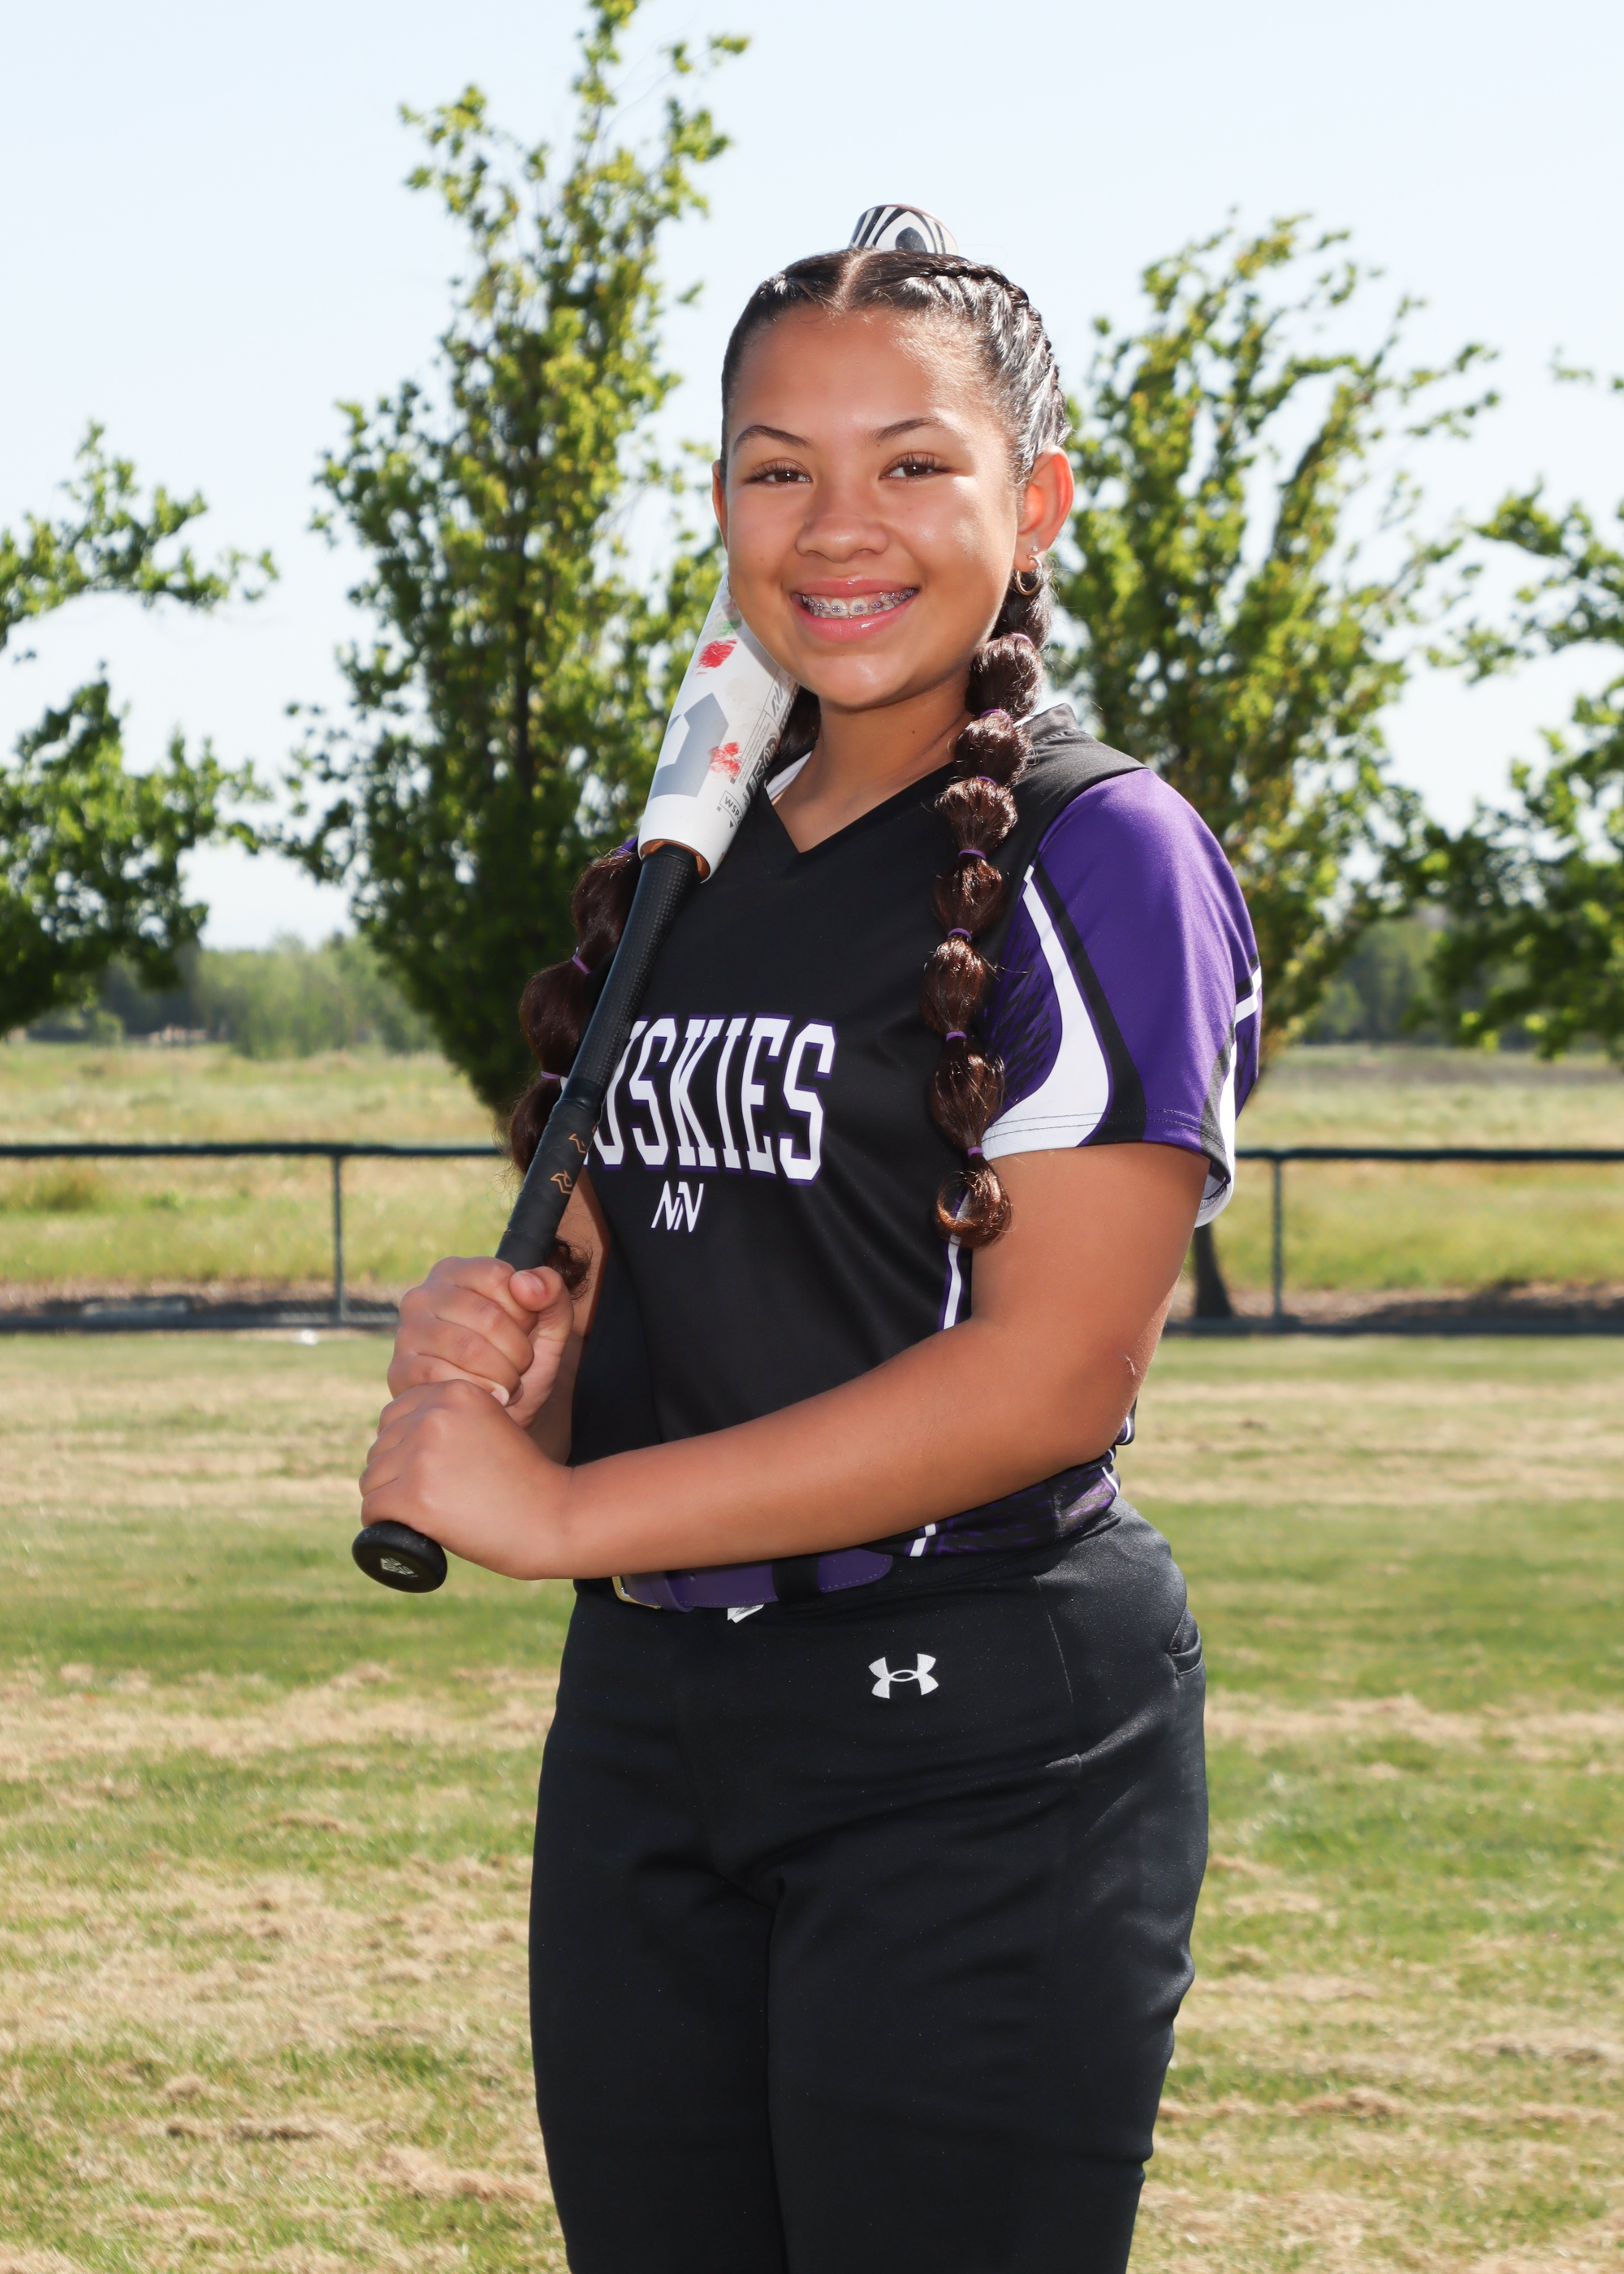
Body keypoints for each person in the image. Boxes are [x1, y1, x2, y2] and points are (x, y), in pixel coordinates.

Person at [361, 242, 1261, 2274]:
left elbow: (1049, 1378)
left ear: (1035, 501)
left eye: (913, 463)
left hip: (976, 1730)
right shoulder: (689, 862)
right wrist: (519, 1362)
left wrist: (558, 1510)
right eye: (779, 469)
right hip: (652, 1720)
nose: (839, 526)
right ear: (721, 505)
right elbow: (664, 1283)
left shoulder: (1100, 850)